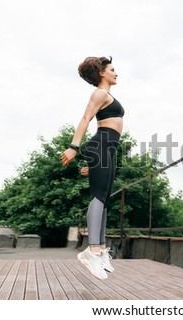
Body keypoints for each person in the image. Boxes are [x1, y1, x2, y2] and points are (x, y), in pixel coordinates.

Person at [61, 56, 124, 280]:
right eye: (112, 69)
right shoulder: (100, 93)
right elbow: (86, 118)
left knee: (105, 199)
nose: (116, 73)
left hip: (107, 150)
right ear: (101, 73)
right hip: (100, 146)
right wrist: (73, 147)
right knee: (97, 197)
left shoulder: (108, 96)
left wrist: (93, 163)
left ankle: (100, 250)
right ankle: (91, 251)